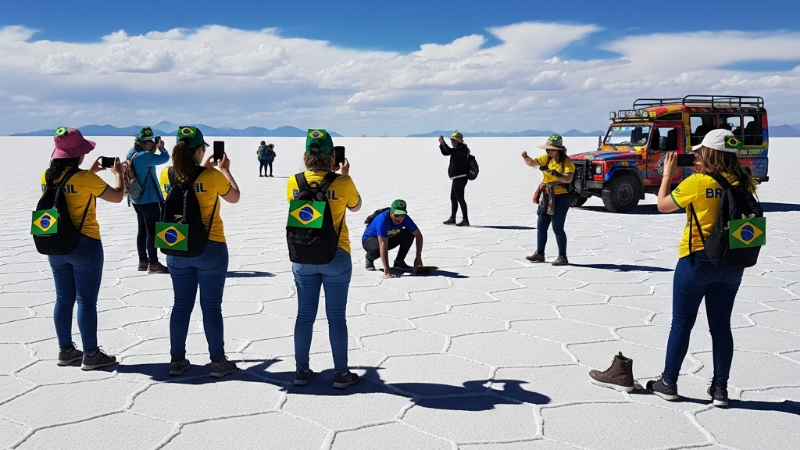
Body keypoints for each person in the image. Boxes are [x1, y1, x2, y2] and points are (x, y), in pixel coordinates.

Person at [641, 129, 755, 408]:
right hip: (732, 261)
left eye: (700, 151)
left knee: (681, 323)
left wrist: (668, 173)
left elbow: (663, 205)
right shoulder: (745, 182)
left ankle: (668, 382)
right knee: (721, 327)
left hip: (697, 259)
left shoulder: (698, 181)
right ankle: (720, 390)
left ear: (708, 153)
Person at [159, 126, 241, 378]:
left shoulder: (166, 174)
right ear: (199, 150)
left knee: (181, 305)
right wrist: (224, 170)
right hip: (210, 246)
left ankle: (176, 360)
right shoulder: (212, 177)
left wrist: (203, 167)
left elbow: (188, 178)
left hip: (176, 245)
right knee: (211, 307)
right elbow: (234, 197)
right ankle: (218, 361)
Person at [42, 127, 124, 370]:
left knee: (63, 299)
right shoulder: (85, 179)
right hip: (84, 244)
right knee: (86, 301)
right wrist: (118, 173)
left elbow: (70, 187)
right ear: (78, 155)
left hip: (55, 244)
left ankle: (65, 351)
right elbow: (117, 196)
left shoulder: (46, 177)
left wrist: (89, 172)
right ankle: (91, 355)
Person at [287, 129, 362, 389]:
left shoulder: (293, 181)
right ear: (332, 154)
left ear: (307, 155)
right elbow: (356, 207)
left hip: (303, 254)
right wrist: (344, 177)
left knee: (304, 315)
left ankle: (301, 371)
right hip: (336, 256)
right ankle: (341, 374)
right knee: (336, 317)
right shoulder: (343, 183)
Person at [521, 134, 575, 266]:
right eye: (547, 149)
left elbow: (568, 179)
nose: (548, 151)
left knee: (557, 227)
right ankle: (540, 253)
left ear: (559, 150)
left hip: (560, 197)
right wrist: (526, 157)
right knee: (541, 225)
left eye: (551, 149)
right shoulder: (546, 159)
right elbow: (532, 163)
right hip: (546, 196)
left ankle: (562, 256)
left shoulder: (566, 163)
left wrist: (557, 174)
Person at [125, 127, 170, 274]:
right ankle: (154, 263)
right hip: (149, 199)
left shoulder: (133, 154)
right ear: (142, 143)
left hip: (137, 200)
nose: (151, 144)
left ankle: (142, 262)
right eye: (149, 142)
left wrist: (153, 149)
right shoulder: (144, 156)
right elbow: (164, 159)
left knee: (142, 231)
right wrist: (162, 149)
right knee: (152, 232)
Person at [362, 199, 424, 277]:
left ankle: (399, 261)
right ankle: (369, 258)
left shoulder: (405, 218)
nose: (399, 218)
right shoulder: (382, 219)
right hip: (370, 240)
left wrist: (418, 257)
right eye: (396, 215)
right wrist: (387, 269)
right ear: (391, 212)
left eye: (402, 215)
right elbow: (382, 243)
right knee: (377, 247)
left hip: (388, 238)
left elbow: (418, 235)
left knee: (409, 234)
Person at [438, 131, 470, 226]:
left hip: (461, 176)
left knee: (460, 198)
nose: (452, 141)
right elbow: (446, 152)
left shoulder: (462, 149)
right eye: (451, 140)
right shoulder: (458, 148)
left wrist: (443, 143)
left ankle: (465, 220)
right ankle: (453, 218)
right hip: (456, 177)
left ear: (459, 141)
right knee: (453, 198)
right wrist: (441, 144)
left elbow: (449, 151)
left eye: (453, 140)